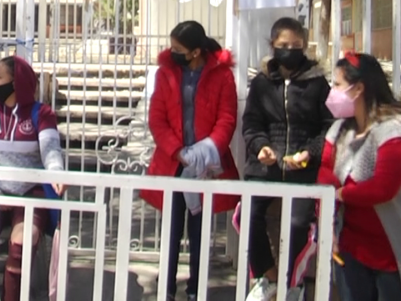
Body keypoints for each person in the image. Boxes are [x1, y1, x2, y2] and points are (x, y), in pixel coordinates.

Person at [140, 21, 239, 301]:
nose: (173, 53)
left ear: (196, 51)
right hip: (173, 164)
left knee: (200, 231)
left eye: (178, 49)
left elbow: (227, 118)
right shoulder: (166, 73)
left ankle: (196, 288)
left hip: (206, 166)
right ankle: (167, 288)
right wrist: (178, 151)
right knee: (170, 229)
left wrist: (207, 149)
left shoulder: (222, 76)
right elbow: (157, 119)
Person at [241, 17, 333, 301]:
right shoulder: (261, 83)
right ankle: (268, 277)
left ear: (304, 46)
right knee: (247, 214)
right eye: (284, 45)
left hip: (303, 170)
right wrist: (261, 148)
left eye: (297, 46)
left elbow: (328, 126)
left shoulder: (318, 83)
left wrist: (309, 153)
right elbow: (251, 125)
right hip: (266, 167)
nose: (290, 50)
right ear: (273, 46)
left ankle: (291, 281)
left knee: (298, 224)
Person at [0, 55, 64, 301]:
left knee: (24, 238)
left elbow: (51, 150)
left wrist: (56, 172)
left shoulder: (42, 113)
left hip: (29, 192)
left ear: (16, 82)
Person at [317, 52, 401, 301]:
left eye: (338, 85)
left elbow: (383, 188)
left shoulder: (392, 129)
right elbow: (325, 174)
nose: (333, 92)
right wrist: (326, 223)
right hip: (351, 247)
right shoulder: (339, 130)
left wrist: (341, 194)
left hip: (389, 249)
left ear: (359, 88)